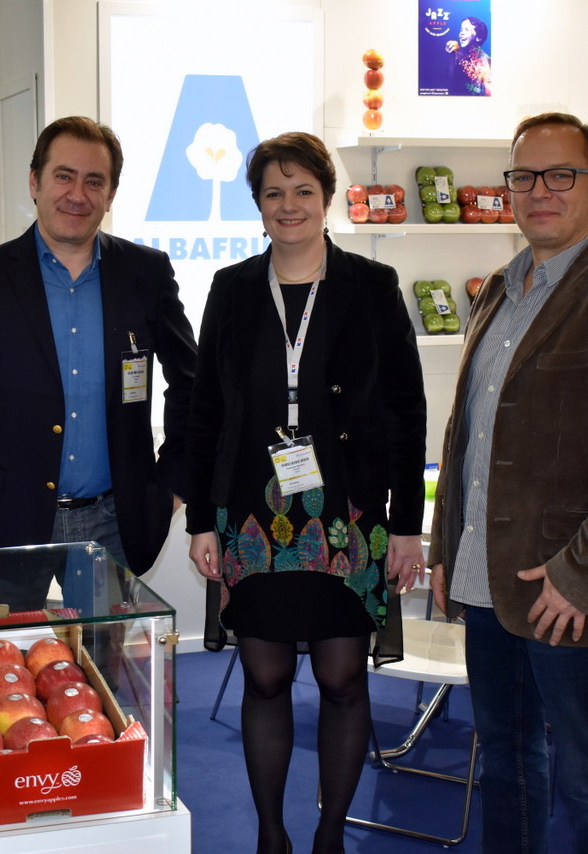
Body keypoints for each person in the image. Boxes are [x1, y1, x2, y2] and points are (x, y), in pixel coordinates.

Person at [428, 113, 588, 854]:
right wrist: (448, 548)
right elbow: (467, 433)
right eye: (524, 176)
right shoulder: (498, 290)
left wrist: (579, 577)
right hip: (488, 577)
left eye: (560, 175)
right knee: (506, 760)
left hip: (572, 592)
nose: (540, 190)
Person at [187, 132, 426, 854]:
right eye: (273, 193)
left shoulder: (371, 286)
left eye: (302, 191)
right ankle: (271, 835)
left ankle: (328, 836)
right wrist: (201, 520)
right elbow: (205, 411)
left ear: (326, 199)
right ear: (257, 203)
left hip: (348, 511)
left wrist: (407, 524)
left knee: (342, 676)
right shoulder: (232, 288)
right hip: (252, 512)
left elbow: (405, 407)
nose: (288, 206)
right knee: (263, 677)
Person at [0, 115, 198, 610]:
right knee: (10, 656)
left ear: (111, 194)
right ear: (35, 182)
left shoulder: (145, 274)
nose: (77, 195)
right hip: (8, 525)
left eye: (94, 181)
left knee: (105, 656)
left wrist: (170, 485)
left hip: (114, 523)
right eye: (64, 176)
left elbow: (193, 385)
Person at [445, 16, 491, 96]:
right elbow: (450, 83)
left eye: (466, 30)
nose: (461, 33)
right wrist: (452, 56)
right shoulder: (457, 56)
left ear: (479, 37)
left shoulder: (487, 62)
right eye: (461, 30)